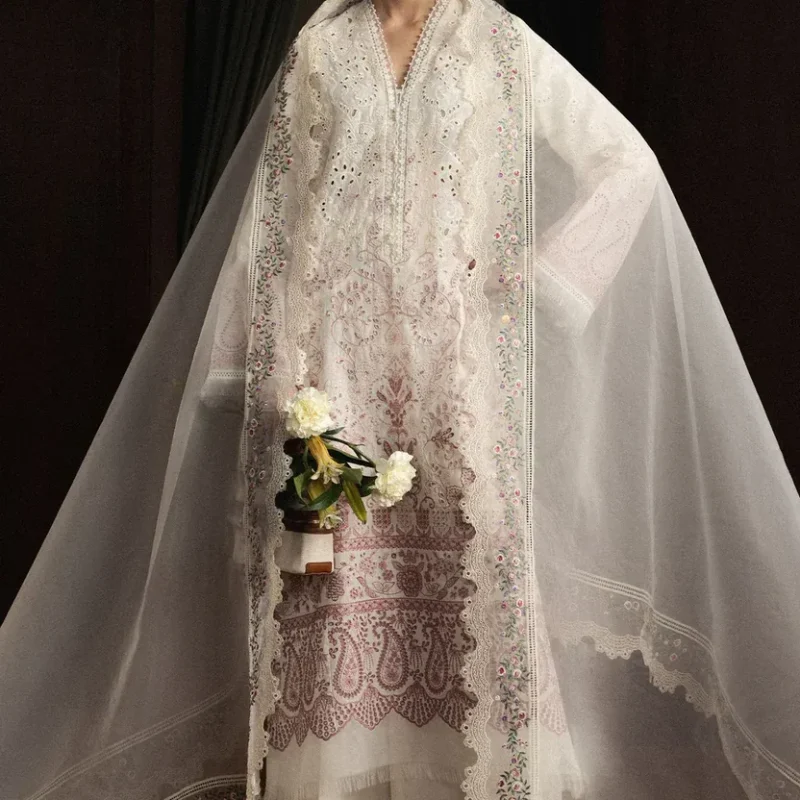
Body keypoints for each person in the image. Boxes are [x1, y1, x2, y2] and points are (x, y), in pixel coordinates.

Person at [2, 1, 799, 798]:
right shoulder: (320, 49)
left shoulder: (494, 39)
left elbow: (627, 165)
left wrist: (537, 281)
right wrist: (257, 368)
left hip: (456, 379)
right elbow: (273, 219)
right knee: (329, 584)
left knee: (476, 585)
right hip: (335, 382)